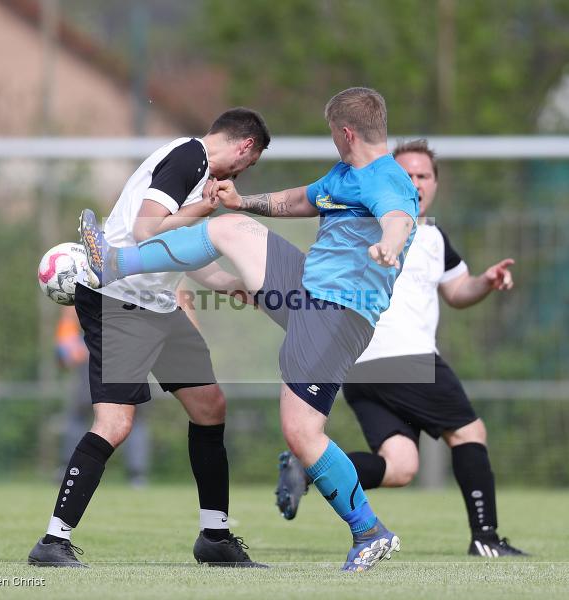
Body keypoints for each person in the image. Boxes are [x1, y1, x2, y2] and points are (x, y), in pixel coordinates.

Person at [81, 87, 419, 572]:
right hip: (308, 293)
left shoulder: (386, 178)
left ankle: (369, 531)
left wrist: (389, 244)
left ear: (346, 131)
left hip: (337, 315)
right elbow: (300, 199)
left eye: (332, 135)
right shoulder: (346, 175)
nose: (333, 142)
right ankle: (115, 264)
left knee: (303, 433)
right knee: (230, 227)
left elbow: (399, 217)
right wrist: (242, 200)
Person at [28, 108, 271, 568]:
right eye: (249, 162)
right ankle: (52, 542)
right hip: (119, 301)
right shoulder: (190, 157)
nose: (242, 173)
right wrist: (203, 212)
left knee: (209, 406)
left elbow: (179, 252)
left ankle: (215, 537)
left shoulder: (194, 173)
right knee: (116, 424)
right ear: (244, 147)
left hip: (160, 304)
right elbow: (145, 230)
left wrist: (239, 288)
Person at [274, 139, 528, 558]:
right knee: (469, 432)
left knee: (400, 464)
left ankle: (306, 469)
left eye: (423, 175)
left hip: (357, 366)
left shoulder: (433, 236)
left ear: (436, 183)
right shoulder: (377, 220)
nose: (414, 182)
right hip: (403, 358)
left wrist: (485, 280)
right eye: (405, 174)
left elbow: (458, 292)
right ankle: (486, 537)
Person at [53, 307, 150, 488]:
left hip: (110, 346)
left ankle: (69, 468)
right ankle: (136, 476)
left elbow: (69, 313)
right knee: (86, 412)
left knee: (84, 414)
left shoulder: (85, 281)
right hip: (117, 347)